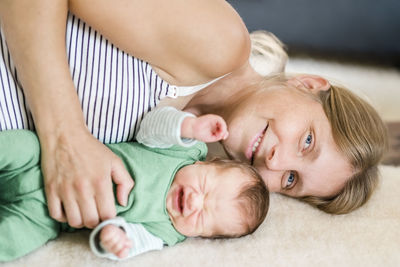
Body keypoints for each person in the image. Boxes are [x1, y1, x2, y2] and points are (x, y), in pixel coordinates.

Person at [0, 0, 387, 231]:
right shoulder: (221, 45)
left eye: (290, 180)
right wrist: (66, 139)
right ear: (308, 84)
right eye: (307, 141)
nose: (277, 160)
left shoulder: (185, 161)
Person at [0, 125, 268, 261]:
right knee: (18, 145)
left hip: (49, 213)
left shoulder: (167, 231)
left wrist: (114, 237)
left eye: (203, 218)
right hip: (45, 157)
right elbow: (151, 127)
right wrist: (185, 127)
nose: (195, 201)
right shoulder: (184, 150)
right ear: (204, 162)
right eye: (206, 187)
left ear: (202, 236)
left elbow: (135, 241)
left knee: (14, 240)